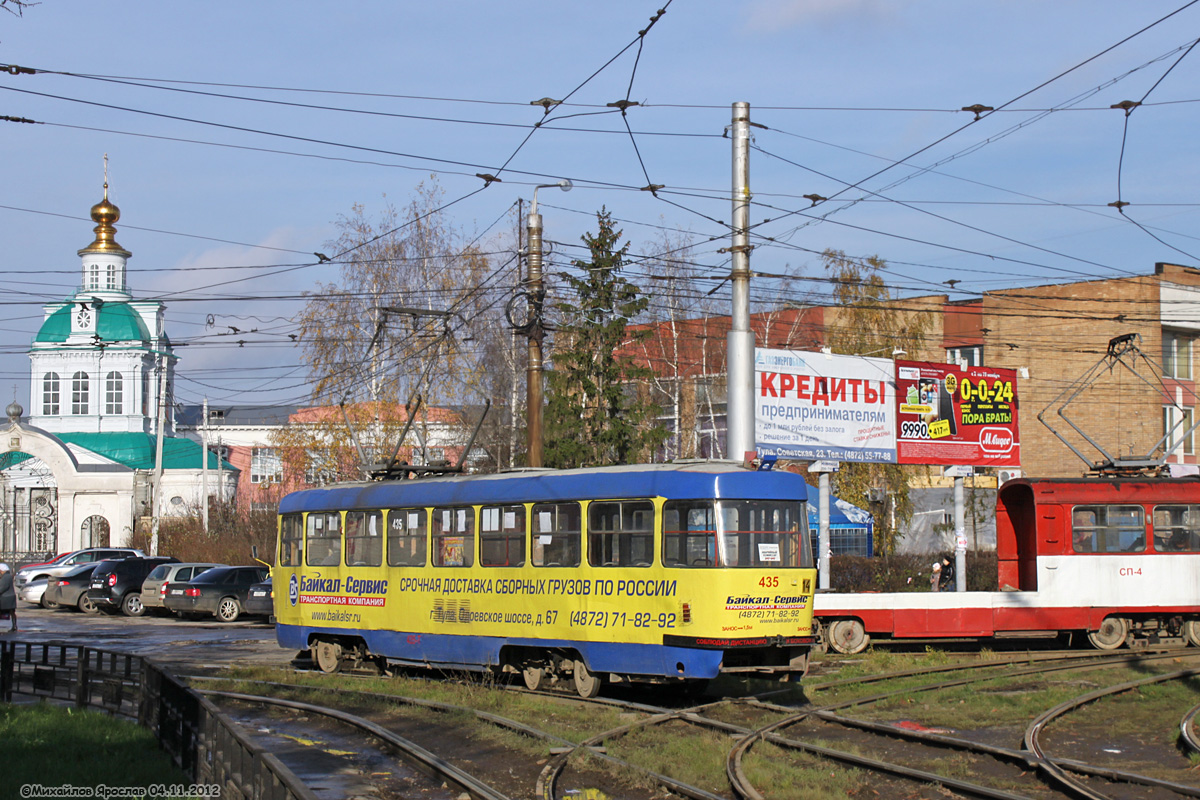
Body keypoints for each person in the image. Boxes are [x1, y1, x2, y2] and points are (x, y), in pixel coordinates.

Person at [0, 562, 16, 632]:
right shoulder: (7, 576)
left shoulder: (5, 577)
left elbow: (3, 587)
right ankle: (14, 626)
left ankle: (14, 626)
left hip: (6, 598)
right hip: (10, 597)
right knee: (12, 612)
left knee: (4, 612)